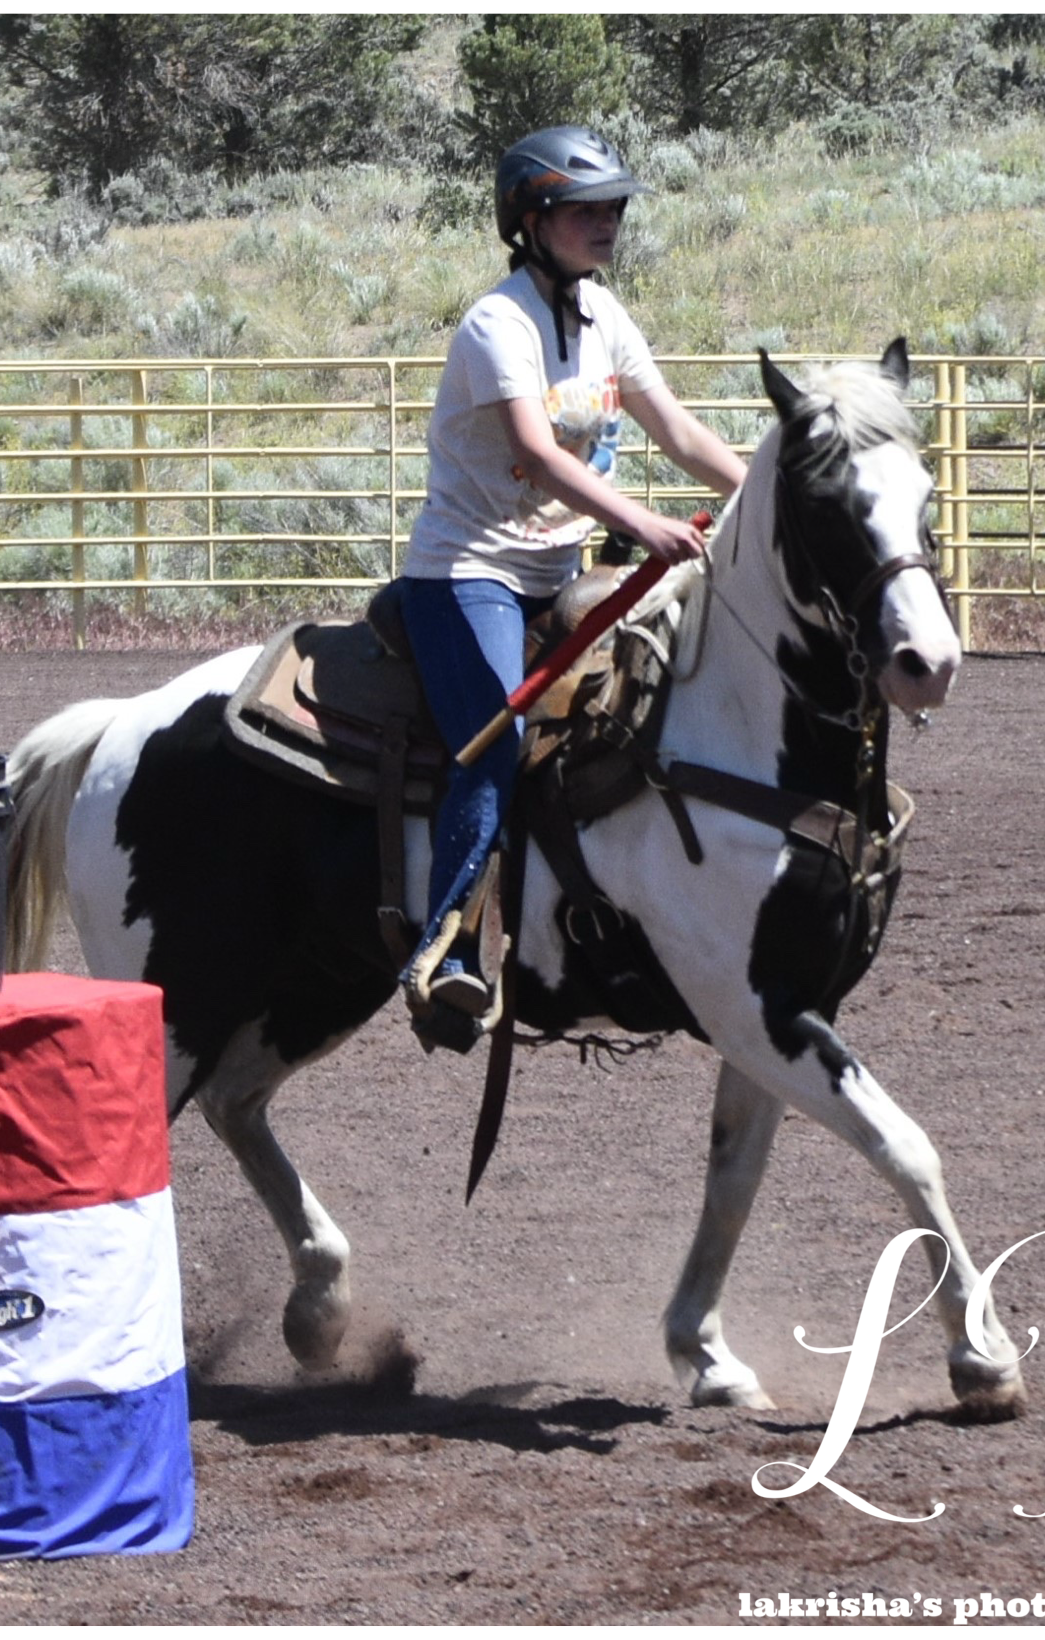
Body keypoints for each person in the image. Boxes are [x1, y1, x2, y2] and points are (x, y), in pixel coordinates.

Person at [397, 125, 747, 1030]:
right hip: (469, 571)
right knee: (493, 743)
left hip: (562, 570)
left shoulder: (604, 316)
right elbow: (536, 455)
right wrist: (642, 523)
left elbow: (679, 432)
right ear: (530, 221)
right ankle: (447, 954)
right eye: (582, 209)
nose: (605, 223)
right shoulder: (497, 323)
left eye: (612, 208)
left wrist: (761, 496)